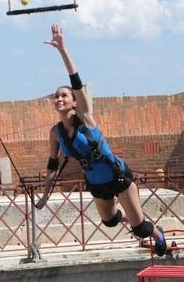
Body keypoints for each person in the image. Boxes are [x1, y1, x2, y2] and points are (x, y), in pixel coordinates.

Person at [34, 24, 167, 256]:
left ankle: (157, 232)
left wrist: (63, 50)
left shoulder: (85, 119)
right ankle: (124, 211)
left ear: (74, 101)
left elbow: (76, 82)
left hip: (117, 175)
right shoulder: (55, 133)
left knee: (140, 228)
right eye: (56, 96)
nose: (59, 98)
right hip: (96, 182)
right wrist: (45, 195)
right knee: (110, 221)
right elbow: (52, 166)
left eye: (64, 95)